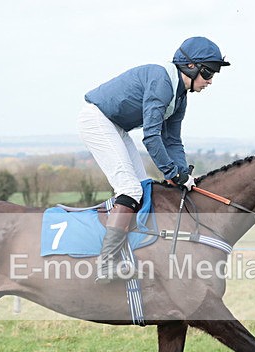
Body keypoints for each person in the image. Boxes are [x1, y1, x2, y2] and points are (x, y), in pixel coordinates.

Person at [78, 36, 230, 283]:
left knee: (142, 187)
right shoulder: (162, 82)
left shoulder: (180, 96)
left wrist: (183, 173)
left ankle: (131, 252)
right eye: (208, 73)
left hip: (116, 127)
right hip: (98, 121)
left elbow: (172, 140)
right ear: (191, 67)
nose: (210, 81)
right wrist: (171, 172)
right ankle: (106, 263)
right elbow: (151, 136)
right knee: (130, 190)